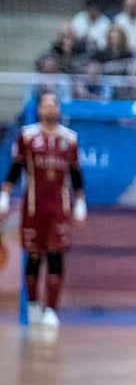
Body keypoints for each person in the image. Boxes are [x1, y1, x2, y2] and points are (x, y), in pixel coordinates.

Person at [0, 92, 87, 331]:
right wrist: (5, 195)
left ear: (59, 109)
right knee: (34, 256)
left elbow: (76, 173)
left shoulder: (69, 139)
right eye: (46, 104)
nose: (50, 108)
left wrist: (80, 202)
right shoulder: (27, 137)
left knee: (56, 254)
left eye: (54, 104)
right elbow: (16, 168)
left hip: (59, 207)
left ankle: (51, 310)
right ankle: (34, 305)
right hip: (33, 206)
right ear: (39, 109)